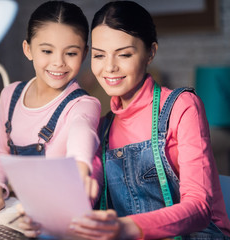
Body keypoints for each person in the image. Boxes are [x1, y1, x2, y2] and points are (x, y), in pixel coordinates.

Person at [19, 1, 230, 239]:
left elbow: (200, 208)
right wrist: (46, 215)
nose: (109, 67)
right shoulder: (102, 127)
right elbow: (86, 193)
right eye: (99, 55)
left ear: (150, 52)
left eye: (124, 54)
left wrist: (125, 227)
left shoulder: (182, 107)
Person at [0, 1, 101, 217]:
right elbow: (2, 152)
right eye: (47, 50)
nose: (58, 62)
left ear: (84, 54)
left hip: (64, 217)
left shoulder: (83, 105)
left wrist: (80, 171)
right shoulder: (9, 96)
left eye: (71, 53)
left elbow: (82, 135)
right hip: (20, 213)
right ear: (28, 49)